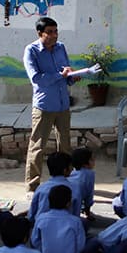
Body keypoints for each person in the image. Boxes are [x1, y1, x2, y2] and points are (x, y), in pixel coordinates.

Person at [24, 16, 79, 193]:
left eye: (56, 31)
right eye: (50, 32)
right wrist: (60, 75)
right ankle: (33, 186)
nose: (54, 35)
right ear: (40, 33)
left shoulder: (61, 47)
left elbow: (66, 72)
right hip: (44, 106)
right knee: (37, 146)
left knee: (65, 146)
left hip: (63, 105)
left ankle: (65, 180)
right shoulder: (31, 51)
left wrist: (72, 77)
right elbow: (37, 79)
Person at [31, 184, 101, 253]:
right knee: (96, 241)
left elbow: (35, 241)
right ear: (68, 204)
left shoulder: (41, 218)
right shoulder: (75, 221)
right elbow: (80, 246)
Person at [27, 151, 81, 224]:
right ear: (65, 170)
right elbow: (76, 214)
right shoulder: (75, 188)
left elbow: (32, 213)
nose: (72, 169)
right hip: (66, 225)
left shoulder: (41, 188)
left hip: (42, 225)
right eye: (71, 166)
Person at [69, 147, 97, 220]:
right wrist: (88, 213)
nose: (94, 161)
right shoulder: (89, 174)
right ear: (85, 164)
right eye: (91, 160)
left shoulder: (72, 172)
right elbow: (89, 196)